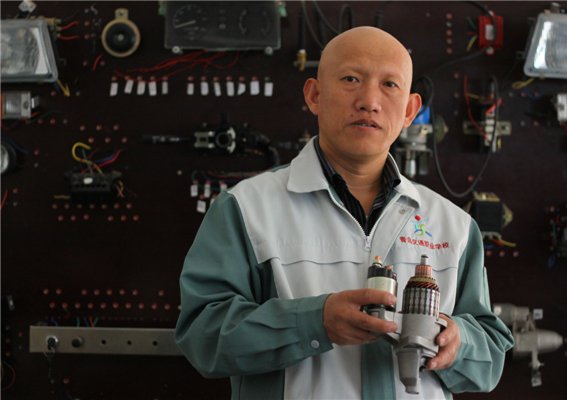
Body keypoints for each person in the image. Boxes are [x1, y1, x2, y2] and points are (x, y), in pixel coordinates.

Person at [175, 26, 514, 400]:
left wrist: (458, 342)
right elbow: (203, 337)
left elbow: (491, 355)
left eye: (389, 84)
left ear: (410, 111)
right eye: (351, 79)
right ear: (315, 95)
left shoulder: (453, 225)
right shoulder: (247, 210)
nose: (369, 101)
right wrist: (313, 322)